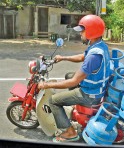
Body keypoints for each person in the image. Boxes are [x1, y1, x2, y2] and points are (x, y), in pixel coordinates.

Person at [38, 14, 110, 143]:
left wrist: (46, 85)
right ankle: (73, 109)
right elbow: (82, 56)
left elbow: (74, 82)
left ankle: (69, 132)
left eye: (83, 31)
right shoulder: (99, 46)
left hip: (89, 95)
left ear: (91, 31)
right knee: (69, 75)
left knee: (53, 101)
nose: (81, 34)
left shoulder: (94, 56)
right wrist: (63, 58)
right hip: (96, 89)